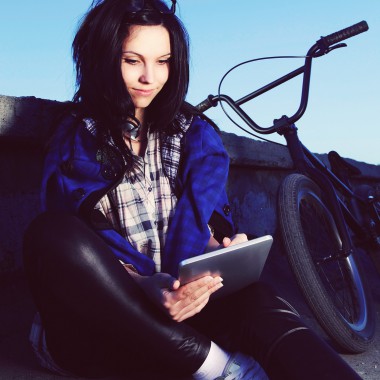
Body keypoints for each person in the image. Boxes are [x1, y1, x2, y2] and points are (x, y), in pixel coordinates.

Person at [22, 1, 362, 379]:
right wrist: (146, 285)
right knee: (51, 234)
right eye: (132, 60)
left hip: (183, 317)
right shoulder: (74, 139)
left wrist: (219, 257)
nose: (149, 77)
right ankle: (226, 370)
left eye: (163, 61)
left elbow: (207, 221)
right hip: (104, 330)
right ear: (102, 58)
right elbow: (75, 256)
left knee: (260, 301)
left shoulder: (193, 136)